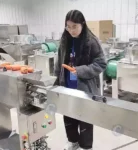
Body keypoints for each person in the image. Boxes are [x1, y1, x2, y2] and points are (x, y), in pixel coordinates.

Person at [54, 10, 107, 150]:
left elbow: (101, 63)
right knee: (68, 116)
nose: (71, 30)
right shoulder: (65, 39)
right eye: (68, 26)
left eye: (74, 26)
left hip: (85, 87)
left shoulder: (91, 41)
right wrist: (57, 77)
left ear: (82, 24)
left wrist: (80, 70)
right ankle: (73, 141)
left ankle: (86, 146)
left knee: (85, 119)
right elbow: (59, 59)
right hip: (67, 85)